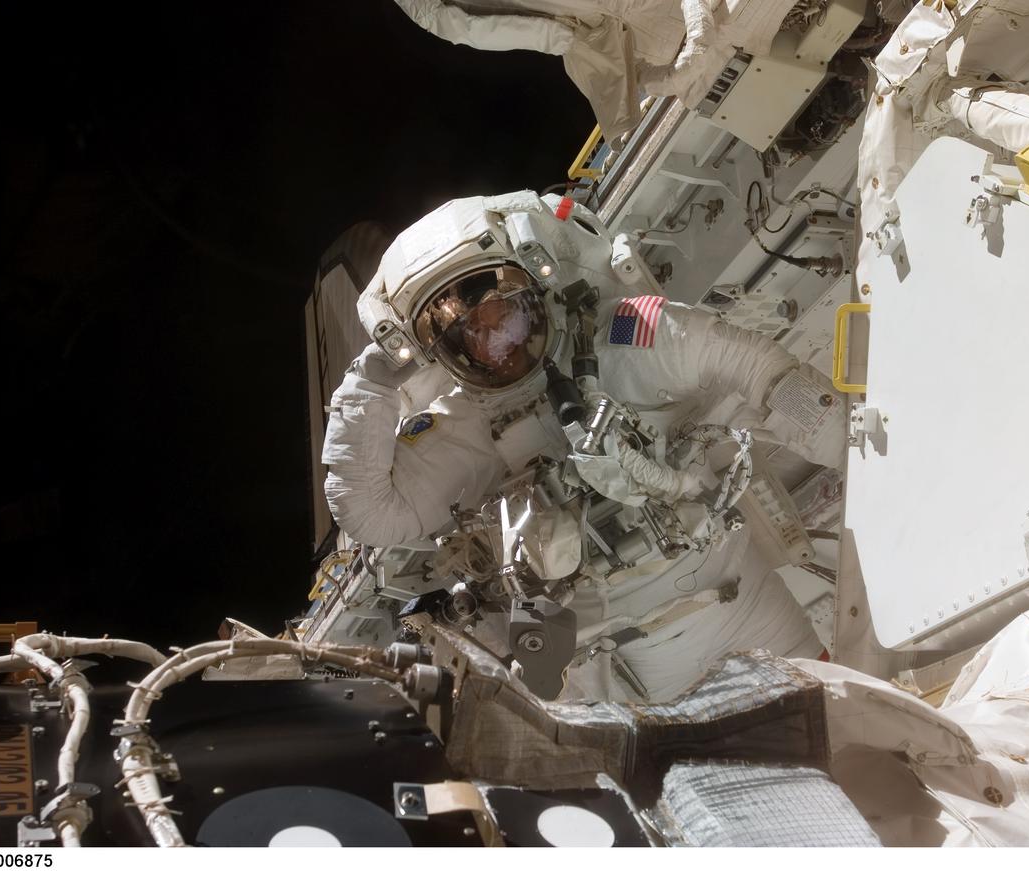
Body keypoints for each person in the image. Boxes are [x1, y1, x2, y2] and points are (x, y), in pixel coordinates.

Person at [323, 191, 839, 702]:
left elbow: (756, 369)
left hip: (736, 613)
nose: (493, 343)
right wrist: (368, 383)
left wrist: (856, 444)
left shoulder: (624, 337)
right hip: (608, 671)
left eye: (501, 314)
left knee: (847, 744)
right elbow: (371, 515)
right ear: (442, 354)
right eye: (468, 335)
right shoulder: (464, 427)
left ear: (534, 288)